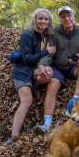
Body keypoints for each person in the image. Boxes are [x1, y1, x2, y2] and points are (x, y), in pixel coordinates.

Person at [34, 6, 79, 134]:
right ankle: (47, 123)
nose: (67, 19)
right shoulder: (54, 32)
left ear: (73, 16)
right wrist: (43, 65)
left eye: (69, 15)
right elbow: (49, 53)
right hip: (58, 68)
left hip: (74, 67)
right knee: (53, 85)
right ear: (59, 19)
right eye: (63, 17)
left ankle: (74, 104)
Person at [8, 9, 56, 146]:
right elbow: (27, 59)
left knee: (49, 73)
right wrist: (46, 51)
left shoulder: (45, 34)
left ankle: (33, 85)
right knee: (27, 100)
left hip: (32, 72)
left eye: (46, 19)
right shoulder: (27, 35)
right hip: (23, 72)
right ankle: (13, 137)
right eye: (40, 18)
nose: (43, 21)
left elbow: (65, 26)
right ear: (35, 20)